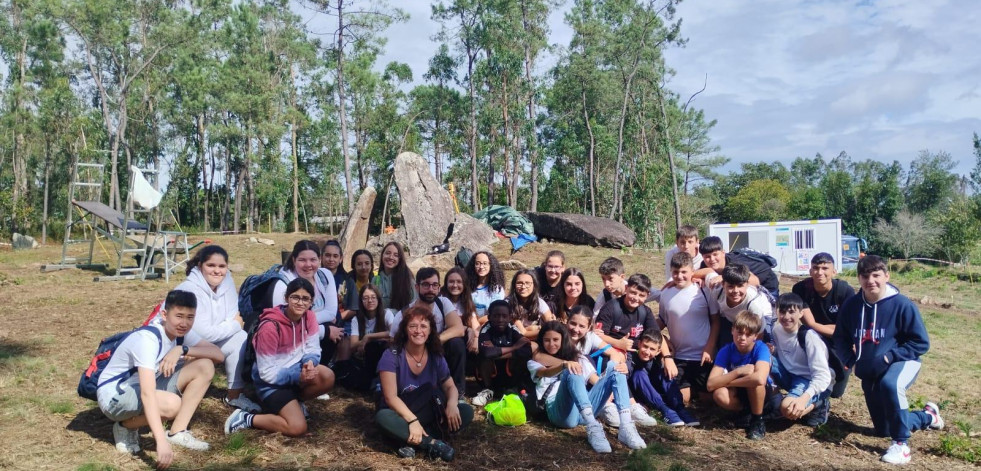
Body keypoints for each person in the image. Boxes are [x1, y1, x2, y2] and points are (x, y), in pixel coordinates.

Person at [832, 255, 943, 465]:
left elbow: (921, 342)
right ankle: (928, 416)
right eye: (865, 276)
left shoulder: (902, 304)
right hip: (869, 370)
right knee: (883, 429)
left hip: (903, 361)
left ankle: (901, 445)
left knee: (890, 385)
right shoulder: (852, 306)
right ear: (859, 278)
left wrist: (889, 356)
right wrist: (851, 361)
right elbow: (840, 337)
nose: (870, 280)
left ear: (886, 276)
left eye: (876, 275)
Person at [99, 290, 224, 467]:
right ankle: (125, 425)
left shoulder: (181, 334)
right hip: (115, 396)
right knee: (172, 405)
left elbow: (218, 354)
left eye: (190, 317)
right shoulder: (148, 339)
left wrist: (183, 350)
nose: (184, 323)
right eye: (179, 316)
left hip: (143, 386)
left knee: (205, 365)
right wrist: (160, 442)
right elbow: (147, 394)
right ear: (164, 314)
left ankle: (177, 432)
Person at [224, 278, 335, 437]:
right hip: (270, 383)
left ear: (311, 302)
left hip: (295, 371)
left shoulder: (309, 317)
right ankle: (247, 418)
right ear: (286, 298)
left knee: (327, 376)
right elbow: (266, 373)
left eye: (305, 299)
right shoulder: (270, 327)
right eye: (295, 297)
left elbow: (312, 347)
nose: (300, 303)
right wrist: (299, 377)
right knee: (297, 428)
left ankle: (295, 403)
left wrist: (310, 362)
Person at [527, 321, 647, 453]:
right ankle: (593, 427)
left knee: (615, 368)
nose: (551, 344)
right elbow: (544, 372)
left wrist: (614, 378)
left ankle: (626, 426)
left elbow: (595, 381)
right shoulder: (533, 362)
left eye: (556, 339)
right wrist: (564, 365)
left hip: (584, 410)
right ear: (541, 341)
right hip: (559, 411)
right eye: (546, 340)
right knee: (570, 371)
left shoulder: (578, 358)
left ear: (563, 339)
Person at [375, 306, 474, 461]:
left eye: (423, 326)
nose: (418, 331)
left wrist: (452, 404)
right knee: (383, 417)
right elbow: (391, 398)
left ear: (430, 331)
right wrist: (413, 421)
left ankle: (405, 439)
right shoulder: (391, 355)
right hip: (400, 412)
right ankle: (431, 442)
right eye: (413, 326)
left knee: (466, 411)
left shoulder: (436, 355)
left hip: (428, 410)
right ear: (405, 330)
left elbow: (449, 386)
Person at [175, 245, 261, 413]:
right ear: (200, 266)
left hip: (206, 342)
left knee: (240, 338)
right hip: (180, 346)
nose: (217, 271)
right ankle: (177, 390)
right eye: (211, 266)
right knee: (236, 331)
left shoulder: (226, 281)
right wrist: (235, 324)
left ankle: (234, 396)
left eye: (221, 266)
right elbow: (204, 332)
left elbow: (231, 314)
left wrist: (231, 325)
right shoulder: (188, 290)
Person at [564, 306, 657, 428]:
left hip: (587, 382)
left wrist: (616, 367)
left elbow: (614, 353)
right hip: (568, 385)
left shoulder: (590, 337)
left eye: (581, 326)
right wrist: (604, 384)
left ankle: (631, 408)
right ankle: (606, 405)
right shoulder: (560, 337)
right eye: (573, 324)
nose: (576, 329)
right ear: (567, 321)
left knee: (613, 365)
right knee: (582, 358)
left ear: (589, 328)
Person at [388, 268, 468, 394]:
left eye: (434, 285)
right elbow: (393, 342)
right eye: (426, 285)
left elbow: (458, 328)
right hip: (414, 355)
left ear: (439, 287)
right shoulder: (404, 314)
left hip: (438, 351)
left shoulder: (443, 303)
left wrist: (436, 341)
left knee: (457, 343)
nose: (431, 289)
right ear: (416, 287)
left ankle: (458, 392)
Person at [657, 252, 719, 407]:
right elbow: (663, 320)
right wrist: (654, 334)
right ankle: (690, 392)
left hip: (702, 356)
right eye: (675, 272)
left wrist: (710, 347)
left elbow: (716, 321)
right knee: (682, 399)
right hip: (680, 355)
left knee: (709, 400)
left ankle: (698, 392)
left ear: (692, 271)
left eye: (684, 272)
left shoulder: (704, 291)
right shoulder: (666, 293)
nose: (679, 276)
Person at [792, 252, 855, 398]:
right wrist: (837, 329)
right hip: (813, 338)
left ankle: (836, 369)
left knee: (836, 393)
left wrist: (841, 332)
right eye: (816, 268)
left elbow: (847, 329)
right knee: (806, 331)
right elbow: (809, 323)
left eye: (825, 268)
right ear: (810, 271)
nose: (820, 272)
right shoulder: (801, 289)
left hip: (839, 342)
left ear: (834, 271)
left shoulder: (845, 291)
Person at [271, 240, 342, 367]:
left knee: (335, 326)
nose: (308, 265)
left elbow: (331, 312)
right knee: (329, 328)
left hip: (307, 332)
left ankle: (321, 368)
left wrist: (305, 322)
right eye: (302, 260)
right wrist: (324, 330)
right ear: (294, 260)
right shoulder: (283, 284)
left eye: (313, 259)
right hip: (289, 339)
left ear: (319, 259)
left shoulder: (325, 275)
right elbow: (287, 326)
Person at [707, 310, 773, 440]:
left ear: (755, 336)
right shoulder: (726, 350)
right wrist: (738, 372)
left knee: (754, 382)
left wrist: (726, 381)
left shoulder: (761, 348)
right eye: (739, 332)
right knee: (719, 394)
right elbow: (710, 385)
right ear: (732, 330)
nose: (742, 338)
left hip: (761, 392)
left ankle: (757, 420)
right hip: (739, 390)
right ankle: (745, 412)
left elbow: (760, 378)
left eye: (748, 334)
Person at [770, 293, 833, 427]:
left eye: (792, 312)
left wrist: (804, 399)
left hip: (807, 379)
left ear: (801, 313)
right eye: (782, 311)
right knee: (763, 359)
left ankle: (819, 402)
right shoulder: (776, 330)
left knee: (788, 409)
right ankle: (774, 404)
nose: (786, 317)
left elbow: (822, 376)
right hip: (787, 373)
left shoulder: (809, 337)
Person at [471, 300, 534, 406]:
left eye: (504, 316)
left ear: (509, 317)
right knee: (483, 357)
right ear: (489, 317)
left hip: (508, 372)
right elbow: (486, 353)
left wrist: (498, 352)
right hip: (491, 374)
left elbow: (527, 349)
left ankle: (513, 388)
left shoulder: (512, 328)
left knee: (522, 356)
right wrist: (514, 347)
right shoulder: (485, 329)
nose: (500, 319)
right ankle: (488, 389)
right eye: (496, 316)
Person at [629, 332, 699, 427]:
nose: (647, 352)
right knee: (639, 374)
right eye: (645, 346)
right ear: (639, 344)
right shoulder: (631, 358)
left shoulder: (658, 360)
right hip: (642, 395)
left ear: (658, 351)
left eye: (652, 349)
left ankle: (680, 409)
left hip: (658, 392)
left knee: (665, 372)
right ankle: (666, 411)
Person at [706, 263, 773, 347]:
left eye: (740, 286)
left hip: (759, 318)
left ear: (747, 284)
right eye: (730, 286)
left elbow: (759, 333)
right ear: (723, 284)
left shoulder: (754, 304)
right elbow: (707, 271)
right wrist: (694, 276)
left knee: (760, 346)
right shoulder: (716, 288)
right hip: (731, 318)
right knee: (726, 346)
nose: (735, 291)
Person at [695, 236, 778, 300]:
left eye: (715, 254)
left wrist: (724, 278)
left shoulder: (735, 263)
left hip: (766, 282)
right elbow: (692, 274)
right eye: (707, 256)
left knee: (766, 316)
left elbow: (755, 281)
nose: (712, 259)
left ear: (723, 253)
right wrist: (699, 279)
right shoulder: (704, 264)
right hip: (743, 286)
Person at [594, 274, 658, 353]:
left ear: (647, 296)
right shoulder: (610, 308)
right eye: (633, 293)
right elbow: (598, 336)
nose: (636, 298)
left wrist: (667, 357)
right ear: (626, 288)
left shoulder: (645, 311)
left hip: (638, 353)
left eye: (641, 295)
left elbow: (656, 335)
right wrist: (618, 343)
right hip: (612, 352)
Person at [349, 284, 394, 386]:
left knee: (376, 346)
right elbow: (353, 345)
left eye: (373, 297)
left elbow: (394, 334)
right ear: (361, 301)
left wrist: (368, 337)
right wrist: (367, 341)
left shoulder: (387, 314)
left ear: (378, 299)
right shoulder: (356, 319)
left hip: (384, 356)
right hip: (365, 359)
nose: (370, 301)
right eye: (365, 298)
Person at [507, 268, 555, 340]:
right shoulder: (508, 303)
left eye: (527, 283)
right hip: (512, 339)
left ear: (534, 285)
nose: (523, 287)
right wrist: (543, 329)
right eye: (519, 283)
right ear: (514, 285)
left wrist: (551, 324)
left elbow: (550, 322)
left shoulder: (539, 302)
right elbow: (523, 333)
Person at [441, 267, 479, 354]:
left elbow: (475, 325)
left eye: (459, 282)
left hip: (463, 340)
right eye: (451, 282)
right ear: (446, 284)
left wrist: (476, 338)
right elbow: (446, 326)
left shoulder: (467, 302)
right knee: (456, 343)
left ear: (464, 284)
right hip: (447, 340)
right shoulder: (441, 301)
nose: (455, 285)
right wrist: (467, 329)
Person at [374, 242, 416, 312]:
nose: (391, 257)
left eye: (396, 255)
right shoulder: (376, 279)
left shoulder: (407, 280)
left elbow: (414, 305)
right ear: (382, 255)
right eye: (387, 253)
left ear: (400, 259)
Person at [465, 250, 506, 320]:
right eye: (477, 263)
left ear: (491, 265)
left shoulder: (497, 289)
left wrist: (477, 323)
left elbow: (495, 313)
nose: (481, 267)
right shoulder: (467, 286)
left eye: (485, 263)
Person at [341, 249, 376, 318]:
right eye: (359, 264)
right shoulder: (346, 282)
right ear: (354, 266)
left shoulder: (377, 279)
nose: (363, 267)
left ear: (371, 265)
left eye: (367, 263)